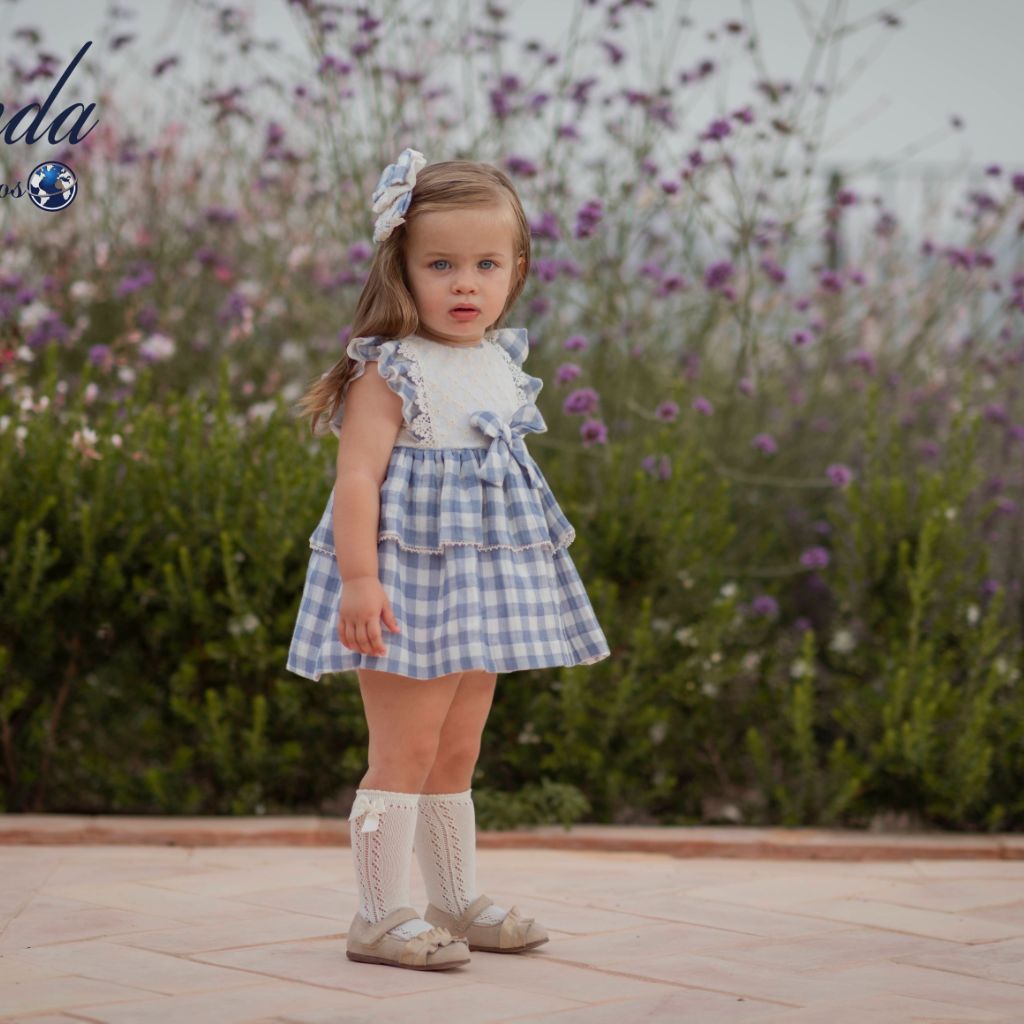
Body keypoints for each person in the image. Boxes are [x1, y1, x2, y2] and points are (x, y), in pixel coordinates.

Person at [287, 148, 611, 971]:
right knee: (402, 751)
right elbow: (357, 477)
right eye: (440, 264)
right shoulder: (388, 371)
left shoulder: (500, 364)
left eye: (485, 264)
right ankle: (377, 913)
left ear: (517, 269)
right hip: (404, 587)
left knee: (456, 751)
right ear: (401, 268)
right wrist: (360, 578)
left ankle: (452, 899)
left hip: (482, 590)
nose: (464, 283)